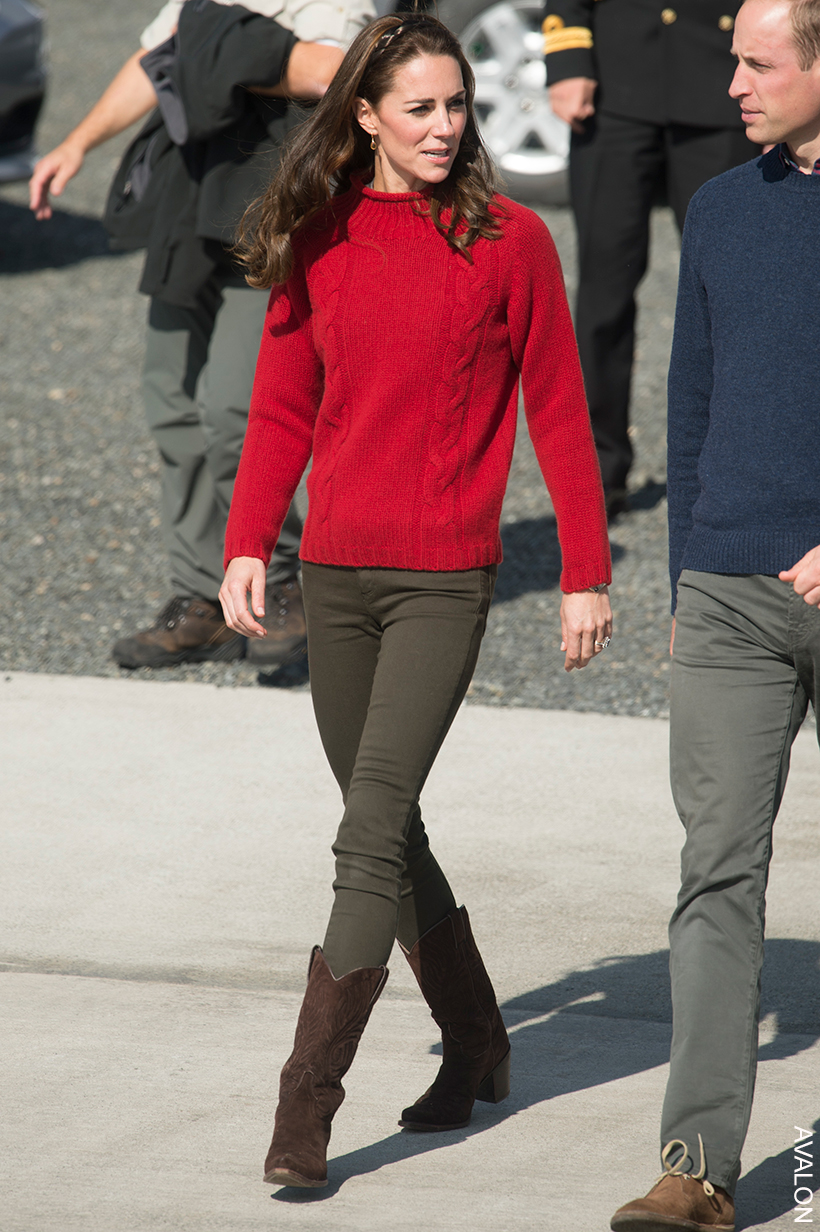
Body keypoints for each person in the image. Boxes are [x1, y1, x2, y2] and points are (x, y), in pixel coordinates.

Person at [218, 10, 613, 1190]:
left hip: (444, 578)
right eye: (420, 107)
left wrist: (585, 570)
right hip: (334, 575)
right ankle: (482, 1036)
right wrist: (249, 544)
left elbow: (558, 410)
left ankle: (305, 1109)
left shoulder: (511, 242)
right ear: (367, 117)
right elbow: (284, 400)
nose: (444, 126)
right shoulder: (321, 230)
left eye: (456, 105)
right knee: (391, 831)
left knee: (365, 830)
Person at [611, 1, 820, 1228]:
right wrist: (690, 577)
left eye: (756, 62)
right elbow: (687, 406)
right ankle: (695, 1168)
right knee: (714, 875)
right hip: (731, 596)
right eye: (731, 58)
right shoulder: (723, 209)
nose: (728, 80)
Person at [28, 0, 373, 670]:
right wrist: (78, 142)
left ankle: (276, 586)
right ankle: (203, 601)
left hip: (272, 218)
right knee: (172, 406)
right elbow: (159, 59)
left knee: (236, 414)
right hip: (190, 208)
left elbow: (332, 74)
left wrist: (221, 42)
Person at [543, 0, 751, 515]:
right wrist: (568, 61)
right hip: (615, 83)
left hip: (723, 81)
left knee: (735, 299)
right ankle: (596, 473)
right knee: (603, 292)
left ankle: (738, 470)